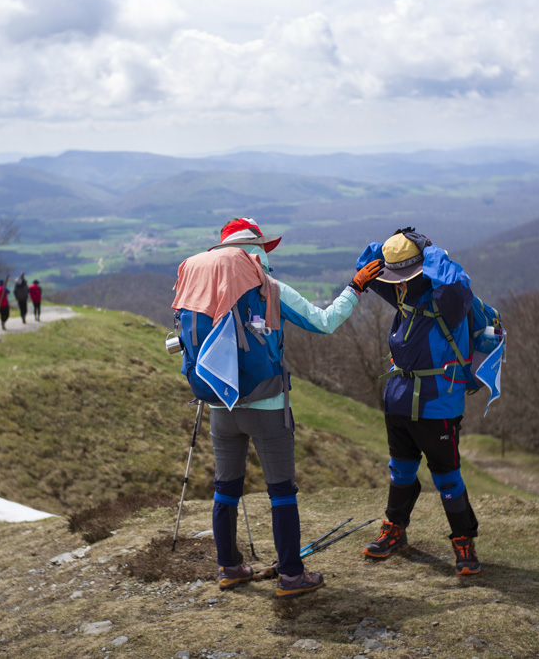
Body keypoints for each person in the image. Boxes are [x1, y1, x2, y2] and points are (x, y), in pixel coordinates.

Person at [174, 217, 384, 598]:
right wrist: (356, 287)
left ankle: (230, 568)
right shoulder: (269, 288)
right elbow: (325, 321)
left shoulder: (201, 287)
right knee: (281, 490)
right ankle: (291, 575)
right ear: (256, 249)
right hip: (267, 404)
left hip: (220, 402)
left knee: (226, 487)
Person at [356, 227, 481, 575]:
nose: (398, 282)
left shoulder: (451, 301)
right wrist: (394, 245)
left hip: (438, 403)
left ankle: (463, 544)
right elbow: (365, 261)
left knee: (447, 478)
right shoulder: (402, 293)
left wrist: (428, 249)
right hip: (398, 400)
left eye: (405, 275)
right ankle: (394, 531)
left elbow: (456, 281)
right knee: (401, 470)